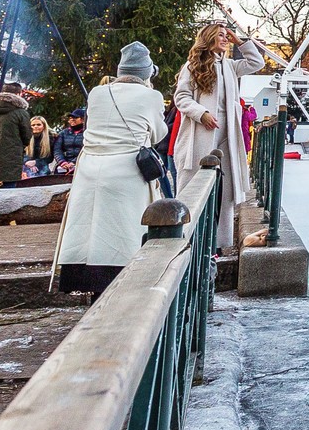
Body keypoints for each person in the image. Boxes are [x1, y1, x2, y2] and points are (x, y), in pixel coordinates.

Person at [54, 42, 169, 296]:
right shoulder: (152, 96)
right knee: (123, 232)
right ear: (147, 73)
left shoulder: (96, 92)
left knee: (90, 230)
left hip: (90, 167)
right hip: (127, 168)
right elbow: (159, 133)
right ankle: (122, 286)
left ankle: (87, 283)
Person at [173, 22, 267, 249]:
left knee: (225, 190)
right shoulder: (192, 66)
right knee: (195, 184)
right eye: (221, 36)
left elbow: (257, 62)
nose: (225, 39)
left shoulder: (230, 66)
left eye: (227, 36)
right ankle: (190, 240)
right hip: (202, 131)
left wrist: (241, 42)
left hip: (228, 134)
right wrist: (201, 113)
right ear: (209, 38)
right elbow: (181, 97)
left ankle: (216, 244)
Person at [0, 92, 34, 187]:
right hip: (12, 155)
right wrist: (21, 146)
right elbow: (26, 135)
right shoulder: (21, 113)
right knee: (9, 187)